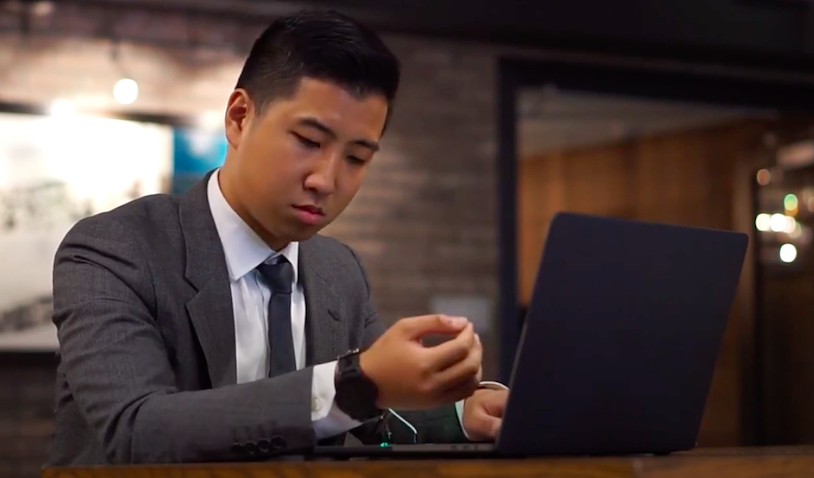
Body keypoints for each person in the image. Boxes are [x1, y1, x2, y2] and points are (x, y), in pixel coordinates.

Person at [47, 9, 509, 465]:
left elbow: (378, 418)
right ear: (240, 117)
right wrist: (356, 383)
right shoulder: (113, 250)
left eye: (357, 158)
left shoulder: (339, 271)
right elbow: (137, 431)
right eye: (309, 141)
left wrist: (463, 413)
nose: (326, 180)